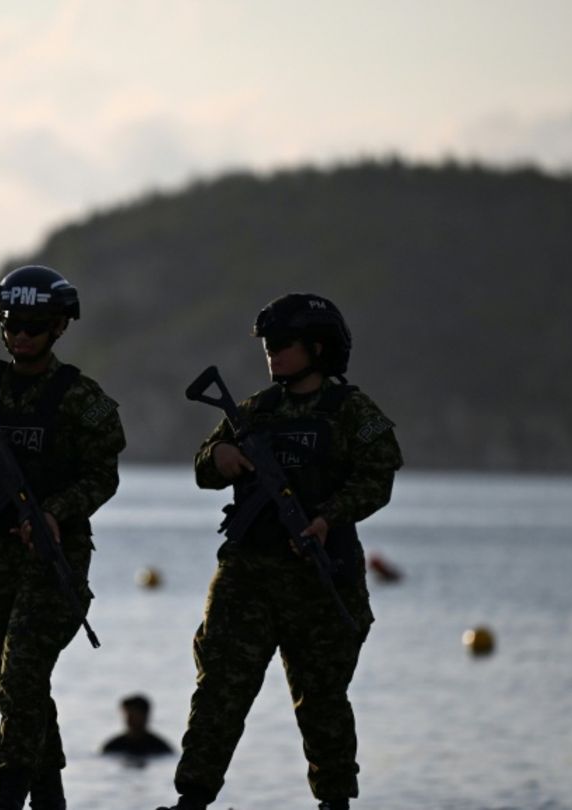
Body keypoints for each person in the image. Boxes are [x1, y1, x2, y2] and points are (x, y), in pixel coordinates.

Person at [157, 294, 402, 810]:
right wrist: (220, 455)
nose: (272, 353)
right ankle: (192, 798)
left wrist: (327, 518)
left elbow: (378, 478)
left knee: (322, 697)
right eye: (268, 344)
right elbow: (203, 466)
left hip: (321, 574)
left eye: (284, 343)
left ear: (318, 348)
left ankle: (334, 801)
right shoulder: (254, 410)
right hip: (248, 574)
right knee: (220, 688)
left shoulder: (352, 411)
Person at [0, 265, 126, 810]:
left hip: (52, 555)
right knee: (5, 671)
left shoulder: (79, 397)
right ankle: (49, 795)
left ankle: (9, 792)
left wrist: (56, 512)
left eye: (34, 326)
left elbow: (103, 475)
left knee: (24, 668)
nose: (22, 336)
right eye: (13, 324)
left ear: (59, 327)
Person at [102, 693, 175, 759]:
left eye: (133, 715)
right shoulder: (113, 746)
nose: (129, 719)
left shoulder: (160, 747)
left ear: (145, 716)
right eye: (127, 715)